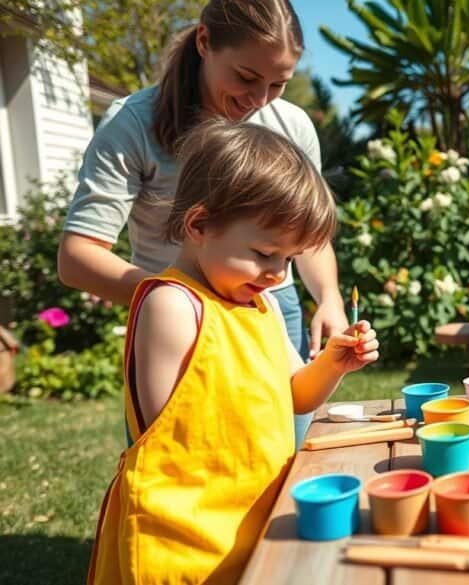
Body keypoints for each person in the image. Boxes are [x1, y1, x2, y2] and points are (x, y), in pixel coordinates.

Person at [88, 119, 379, 584]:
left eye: (287, 260)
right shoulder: (172, 304)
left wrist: (331, 364)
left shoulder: (258, 305)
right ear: (199, 224)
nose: (277, 274)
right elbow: (168, 439)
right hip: (186, 541)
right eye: (265, 253)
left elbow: (294, 396)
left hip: (251, 520)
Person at [57, 0, 342, 447]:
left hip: (266, 310)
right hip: (175, 324)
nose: (259, 100)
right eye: (247, 78)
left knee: (280, 464)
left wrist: (329, 297)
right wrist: (177, 304)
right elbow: (77, 258)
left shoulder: (291, 125)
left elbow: (305, 238)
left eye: (278, 84)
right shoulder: (133, 125)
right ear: (205, 42)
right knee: (181, 460)